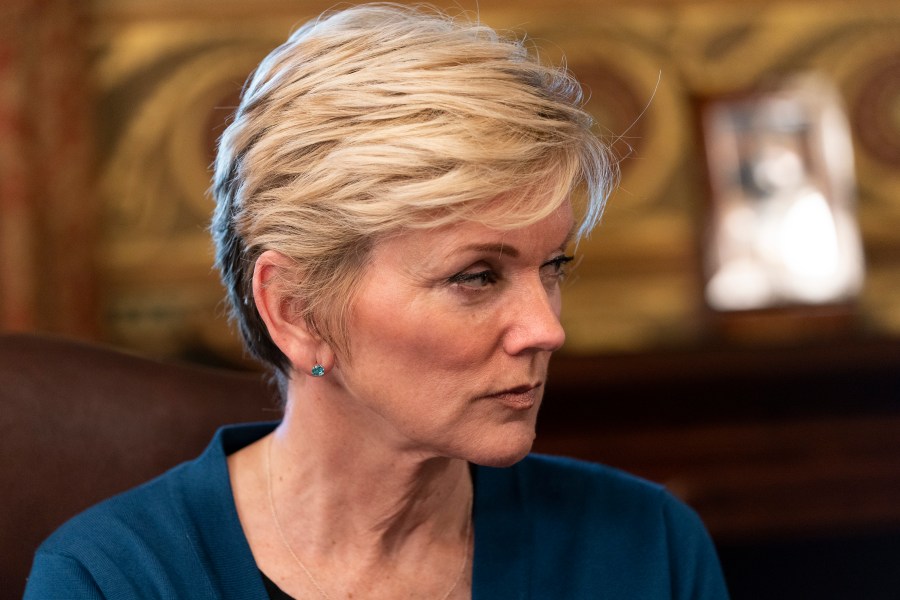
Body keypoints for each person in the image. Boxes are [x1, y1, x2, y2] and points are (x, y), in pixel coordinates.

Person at [24, 3, 729, 599]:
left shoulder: (648, 550)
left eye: (554, 266)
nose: (547, 329)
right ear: (295, 311)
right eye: (477, 276)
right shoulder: (112, 578)